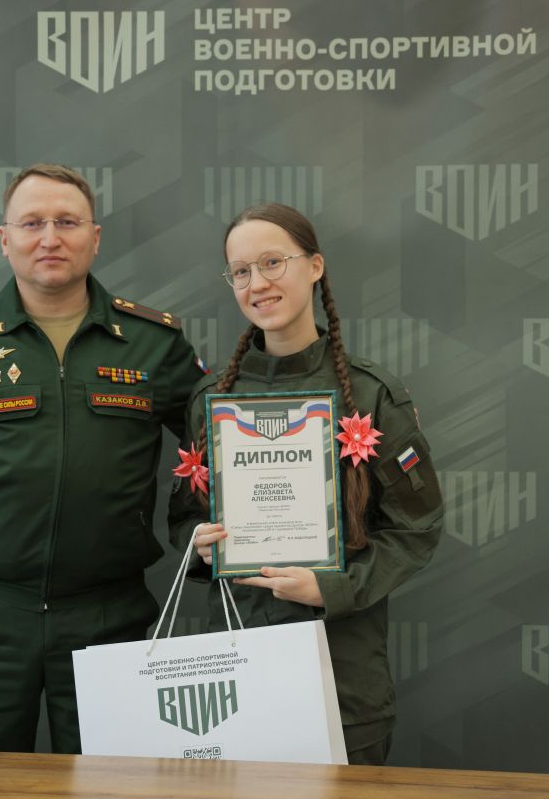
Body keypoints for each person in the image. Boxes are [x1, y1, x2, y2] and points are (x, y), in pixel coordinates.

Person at [0, 163, 205, 753]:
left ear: (95, 238)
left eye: (67, 222)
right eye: (32, 223)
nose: (50, 237)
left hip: (110, 617)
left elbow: (218, 449)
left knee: (110, 789)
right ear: (5, 239)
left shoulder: (154, 343)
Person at [168, 202, 444, 766]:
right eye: (240, 271)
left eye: (273, 262)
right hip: (239, 676)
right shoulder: (211, 401)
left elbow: (417, 526)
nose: (257, 283)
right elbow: (184, 518)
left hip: (344, 678)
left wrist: (332, 589)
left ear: (315, 266)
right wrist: (199, 543)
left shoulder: (370, 395)